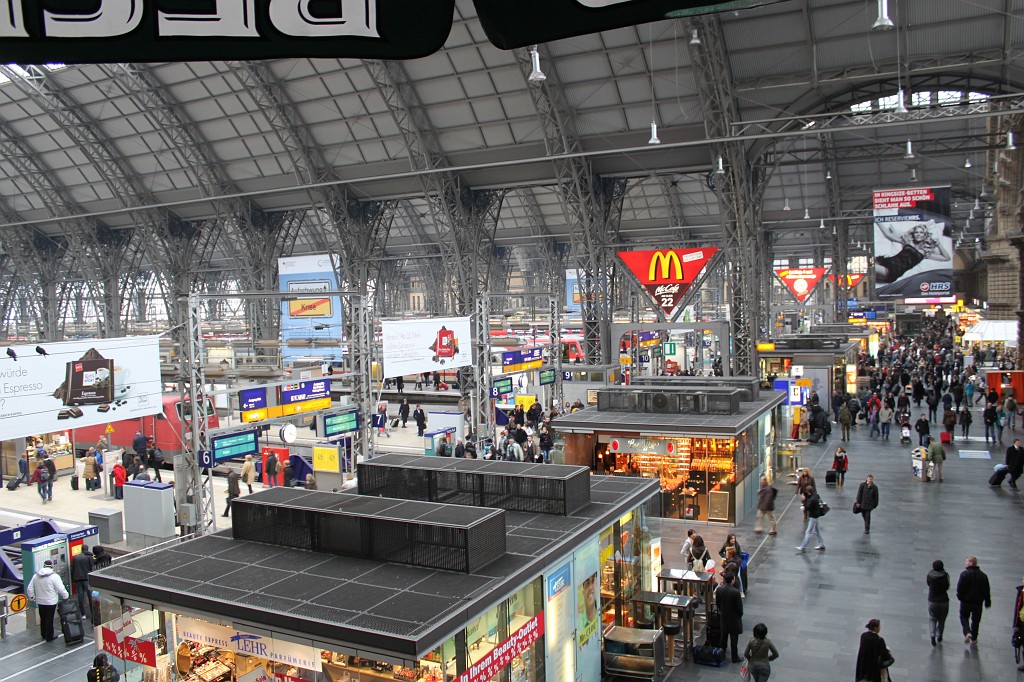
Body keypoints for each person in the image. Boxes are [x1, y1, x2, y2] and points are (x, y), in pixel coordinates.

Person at [874, 220, 951, 283]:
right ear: (913, 234)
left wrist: (939, 244)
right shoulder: (907, 242)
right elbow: (889, 235)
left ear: (925, 235)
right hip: (885, 261)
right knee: (865, 263)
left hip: (892, 272)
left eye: (921, 232)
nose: (918, 234)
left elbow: (946, 258)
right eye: (916, 232)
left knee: (869, 268)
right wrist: (878, 222)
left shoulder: (925, 252)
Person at [26, 559, 68, 641]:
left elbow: (29, 588)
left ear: (44, 566)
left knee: (43, 617)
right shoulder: (54, 576)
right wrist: (65, 596)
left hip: (40, 601)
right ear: (51, 567)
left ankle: (43, 634)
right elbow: (60, 588)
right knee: (49, 618)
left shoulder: (36, 576)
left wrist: (32, 597)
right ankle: (49, 636)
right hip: (51, 601)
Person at [956, 555, 991, 644]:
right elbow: (986, 589)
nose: (966, 563)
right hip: (978, 603)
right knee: (976, 620)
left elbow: (960, 588)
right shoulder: (983, 576)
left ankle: (967, 632)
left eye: (967, 561)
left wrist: (960, 597)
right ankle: (974, 638)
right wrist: (987, 601)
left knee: (963, 617)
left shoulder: (964, 574)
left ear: (971, 563)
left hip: (966, 602)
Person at [715, 571, 744, 663]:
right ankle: (734, 657)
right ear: (733, 580)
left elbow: (717, 603)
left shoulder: (719, 589)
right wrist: (740, 614)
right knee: (734, 638)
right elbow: (739, 607)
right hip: (734, 618)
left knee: (723, 636)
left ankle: (721, 654)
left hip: (724, 616)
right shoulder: (735, 592)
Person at [926, 559, 950, 646]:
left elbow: (928, 584)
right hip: (944, 600)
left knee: (932, 618)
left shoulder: (930, 575)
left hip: (932, 600)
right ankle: (939, 635)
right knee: (942, 619)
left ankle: (932, 635)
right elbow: (947, 586)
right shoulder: (945, 575)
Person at [795, 485, 825, 553]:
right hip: (816, 515)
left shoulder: (812, 499)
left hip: (813, 517)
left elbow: (808, 506)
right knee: (817, 530)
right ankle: (821, 544)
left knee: (808, 532)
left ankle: (803, 547)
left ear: (808, 492)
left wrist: (804, 502)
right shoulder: (815, 495)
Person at [70, 545, 93, 620]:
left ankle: (83, 614)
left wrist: (73, 579)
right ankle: (92, 612)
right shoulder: (88, 557)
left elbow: (72, 569)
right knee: (90, 595)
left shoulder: (75, 558)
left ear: (81, 549)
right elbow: (91, 568)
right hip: (86, 578)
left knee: (80, 596)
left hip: (77, 579)